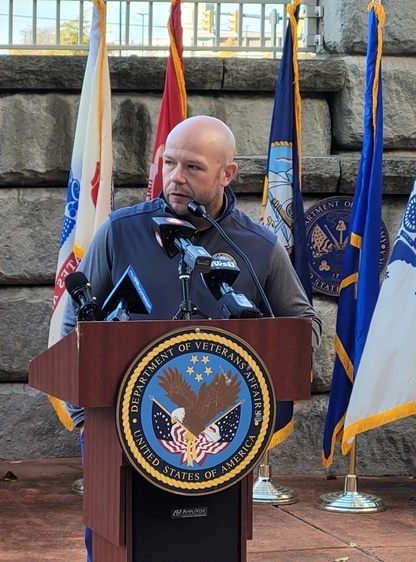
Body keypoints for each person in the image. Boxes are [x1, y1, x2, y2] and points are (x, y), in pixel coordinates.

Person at [60, 115, 321, 561]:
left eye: (193, 168)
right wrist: (86, 418)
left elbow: (303, 329)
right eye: (169, 163)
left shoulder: (257, 246)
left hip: (217, 439)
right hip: (117, 433)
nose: (175, 178)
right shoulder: (121, 232)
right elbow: (74, 331)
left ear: (227, 174)